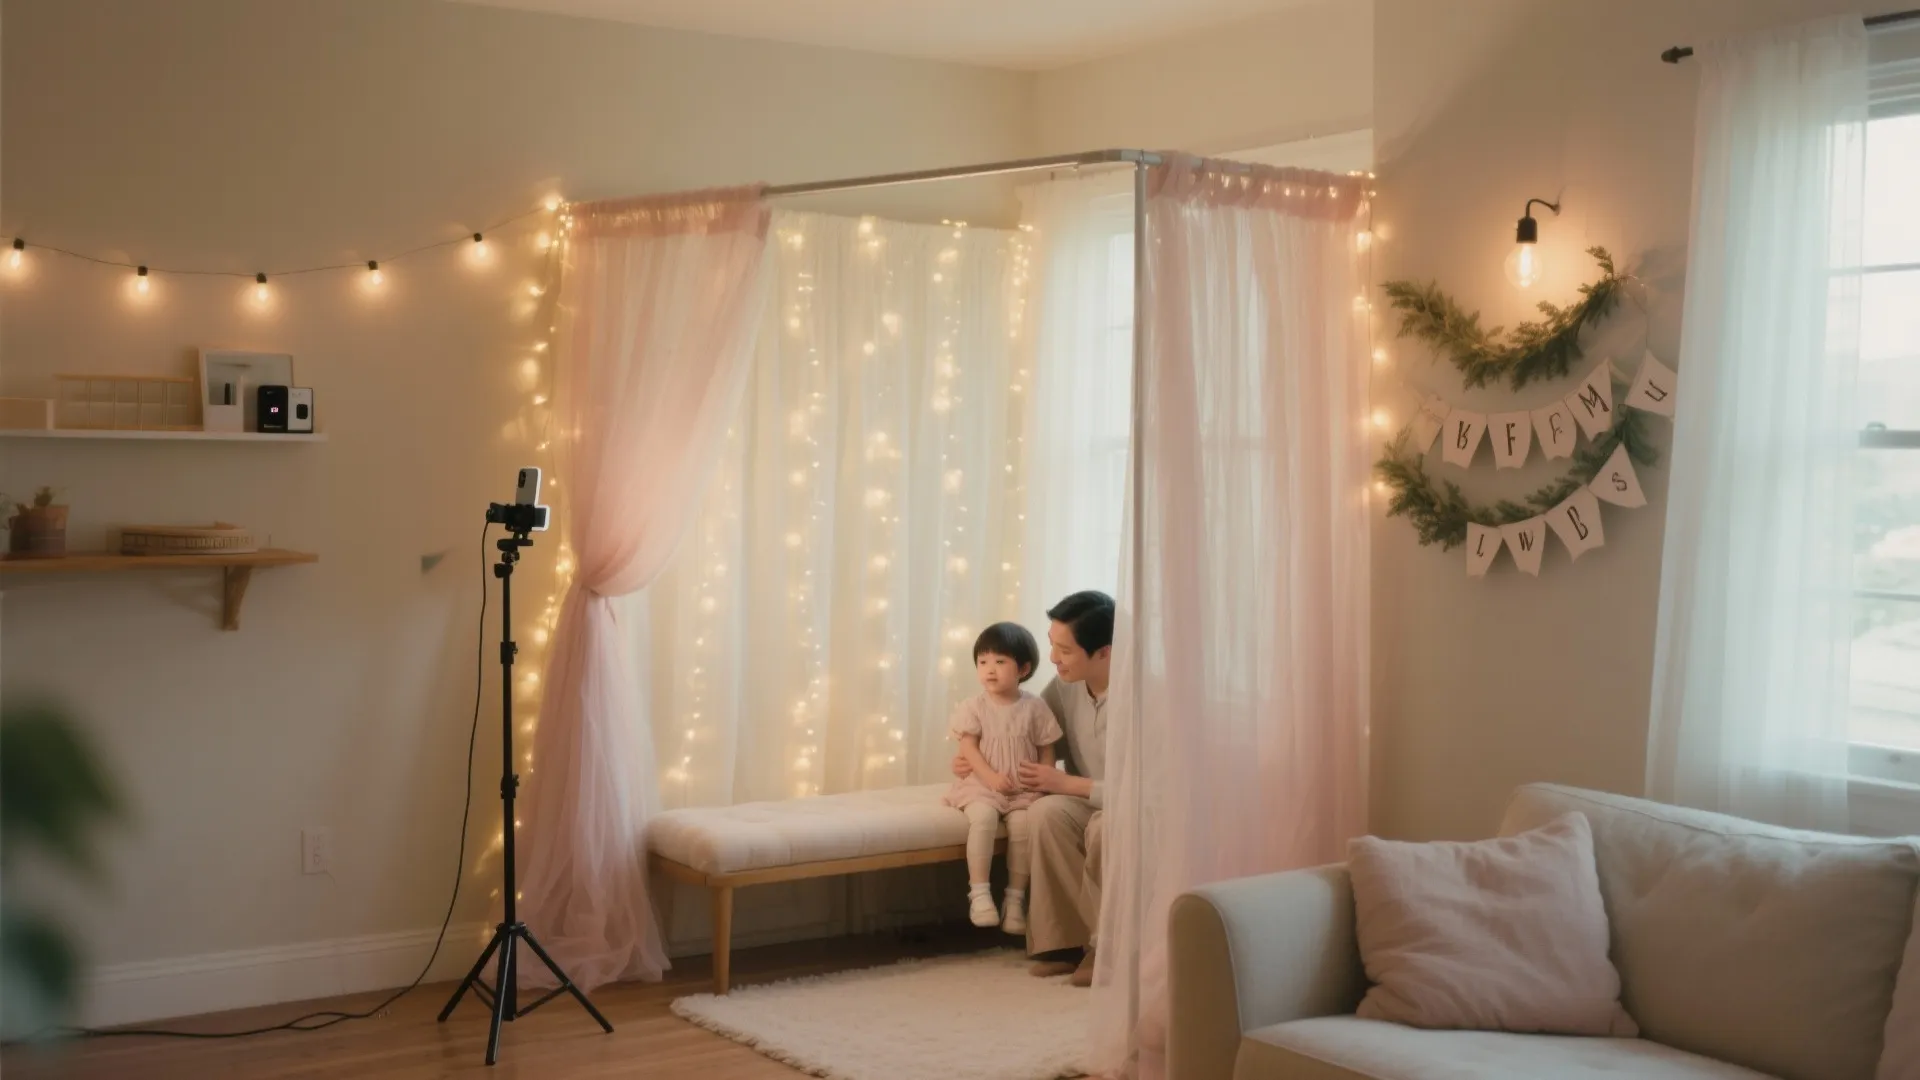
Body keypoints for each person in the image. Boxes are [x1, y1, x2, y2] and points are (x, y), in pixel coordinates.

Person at [953, 590, 1112, 987]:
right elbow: (1021, 723)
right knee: (1044, 813)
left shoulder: (1146, 698)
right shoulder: (1065, 687)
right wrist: (974, 759)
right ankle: (1065, 943)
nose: (1053, 659)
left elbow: (1155, 789)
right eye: (1052, 646)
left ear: (1104, 653)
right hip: (1082, 800)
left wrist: (1068, 782)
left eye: (1065, 650)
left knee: (1102, 829)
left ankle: (1107, 947)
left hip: (1134, 805)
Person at [943, 622, 1063, 932]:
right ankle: (980, 893)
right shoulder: (974, 707)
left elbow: (1046, 748)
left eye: (1000, 662)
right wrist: (992, 777)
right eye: (983, 662)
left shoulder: (1035, 707)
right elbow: (968, 749)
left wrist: (1043, 784)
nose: (989, 670)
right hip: (982, 786)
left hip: (1022, 790)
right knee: (982, 819)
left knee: (1023, 825)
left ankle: (1015, 899)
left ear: (1023, 668)